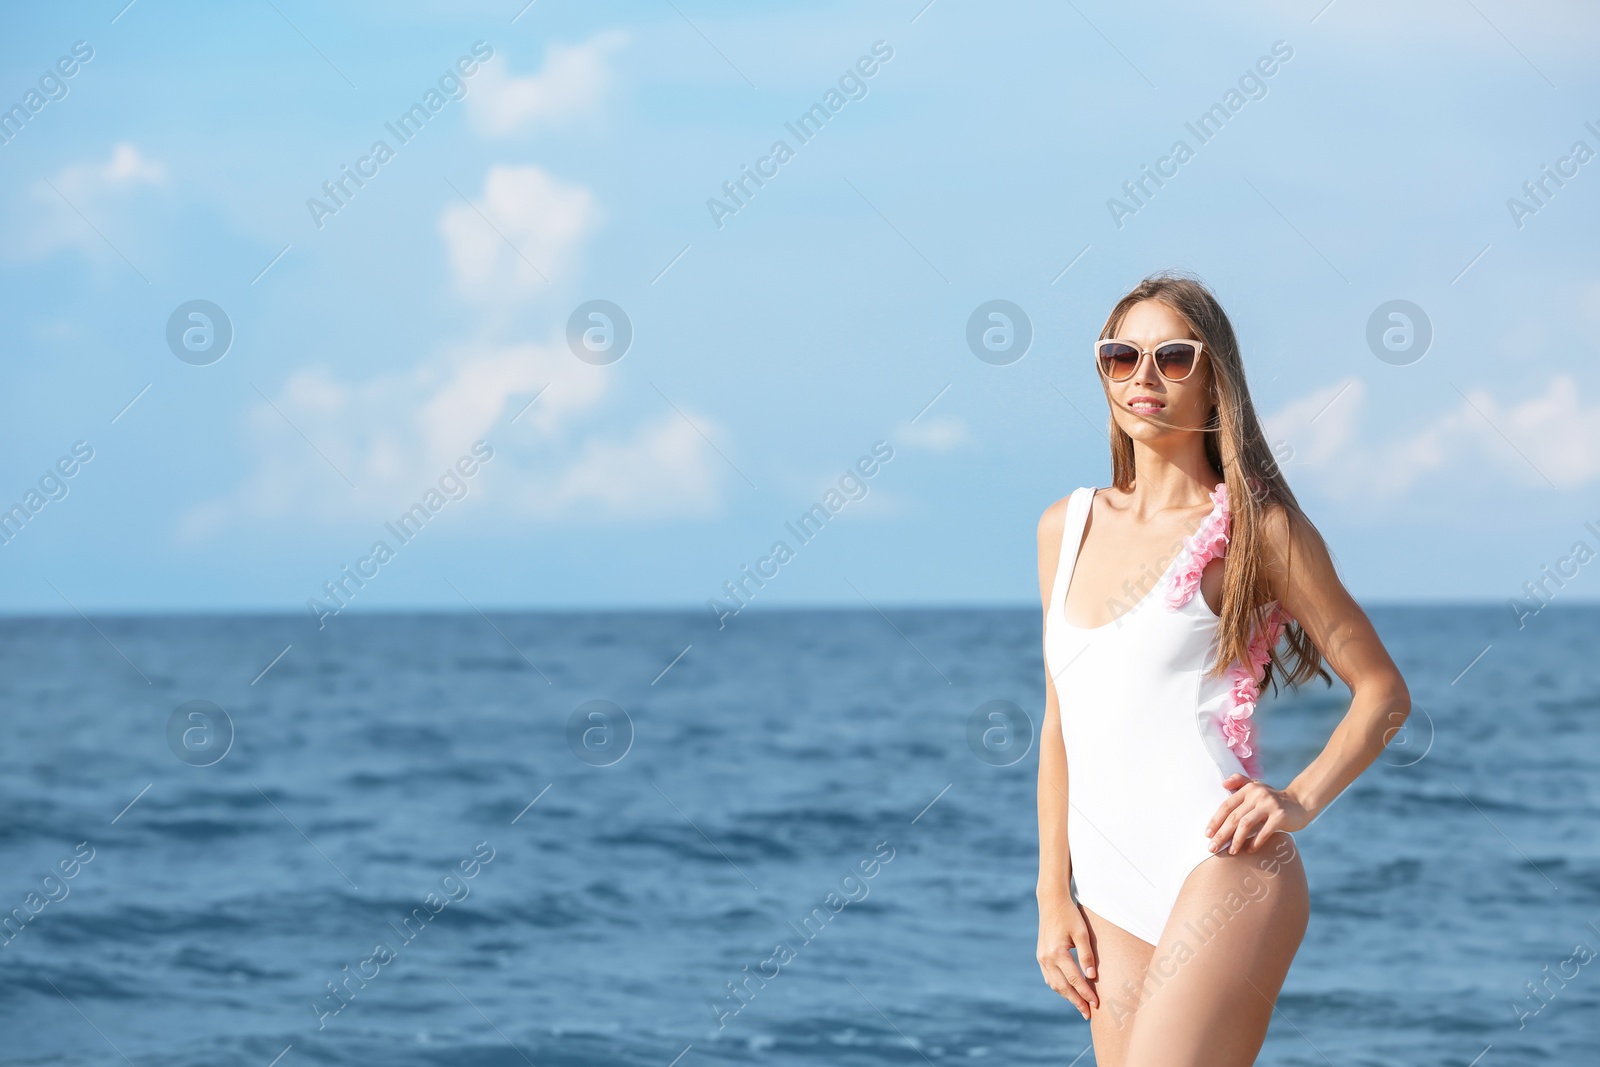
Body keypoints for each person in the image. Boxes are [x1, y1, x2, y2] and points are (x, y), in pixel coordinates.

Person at [1034, 271, 1410, 1066]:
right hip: (1106, 893)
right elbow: (1062, 722)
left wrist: (1300, 797)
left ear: (1215, 382)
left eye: (1173, 357)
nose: (1143, 377)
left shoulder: (1259, 530)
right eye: (1120, 355)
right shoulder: (1063, 527)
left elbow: (1382, 692)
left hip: (1224, 867)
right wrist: (1050, 897)